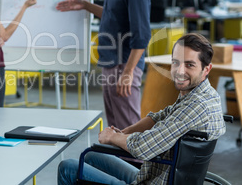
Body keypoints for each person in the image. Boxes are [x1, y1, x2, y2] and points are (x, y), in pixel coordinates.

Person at [57, 33, 226, 184]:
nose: (179, 71)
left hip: (158, 181)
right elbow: (160, 116)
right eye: (176, 63)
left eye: (189, 65)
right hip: (156, 175)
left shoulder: (196, 106)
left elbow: (143, 148)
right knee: (92, 156)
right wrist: (123, 133)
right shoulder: (203, 94)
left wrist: (112, 138)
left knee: (69, 167)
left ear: (206, 69)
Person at [56, 0, 151, 129]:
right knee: (115, 129)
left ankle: (131, 163)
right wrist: (85, 5)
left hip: (123, 65)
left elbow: (141, 35)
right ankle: (118, 161)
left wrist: (128, 72)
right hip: (110, 63)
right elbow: (113, 16)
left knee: (127, 130)